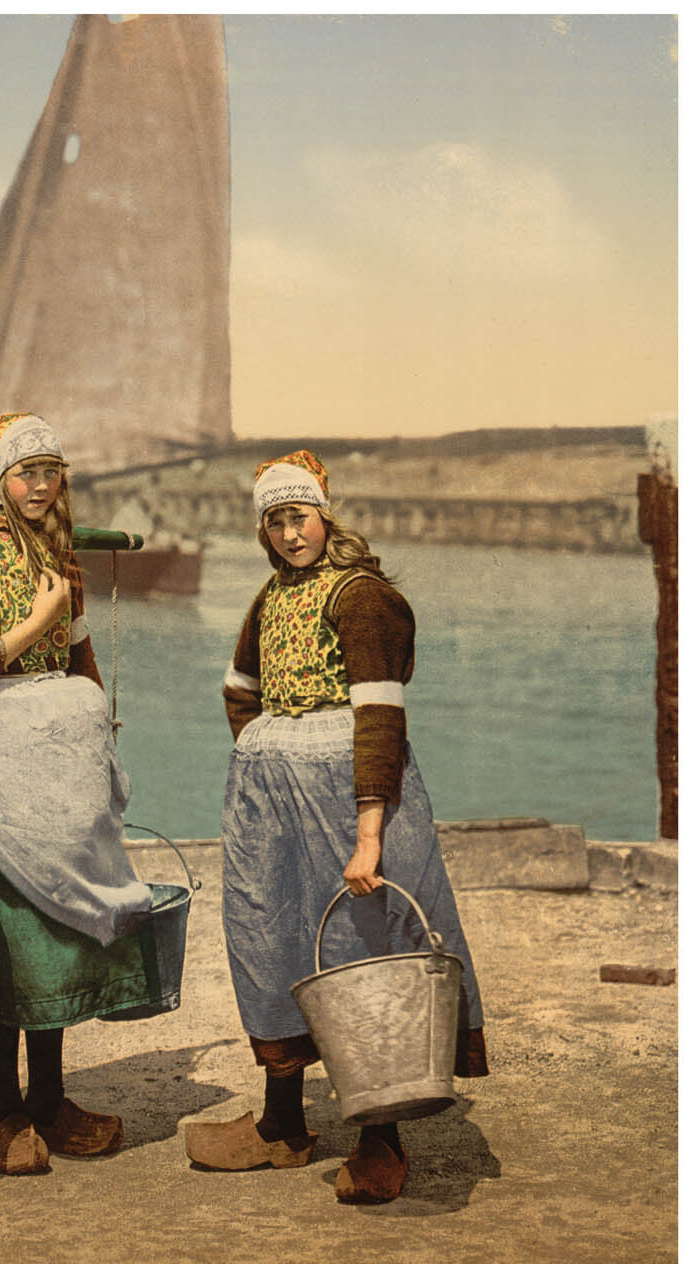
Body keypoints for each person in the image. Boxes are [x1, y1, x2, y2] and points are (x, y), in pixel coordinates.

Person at [184, 450, 489, 1204]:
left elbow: (380, 719)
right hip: (273, 808)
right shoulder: (270, 597)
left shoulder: (362, 598)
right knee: (270, 940)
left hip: (354, 798)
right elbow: (240, 689)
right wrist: (267, 756)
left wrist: (369, 834)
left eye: (300, 517)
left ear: (326, 515)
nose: (290, 535)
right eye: (275, 522)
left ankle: (382, 1137)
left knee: (366, 949)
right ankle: (283, 1125)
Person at [0, 411, 161, 1176]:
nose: (39, 485)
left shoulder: (64, 563)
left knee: (53, 936)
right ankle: (5, 1110)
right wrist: (37, 620)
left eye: (51, 471)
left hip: (46, 783)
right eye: (26, 472)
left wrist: (96, 756)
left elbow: (81, 664)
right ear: (2, 480)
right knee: (1, 945)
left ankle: (50, 1099)